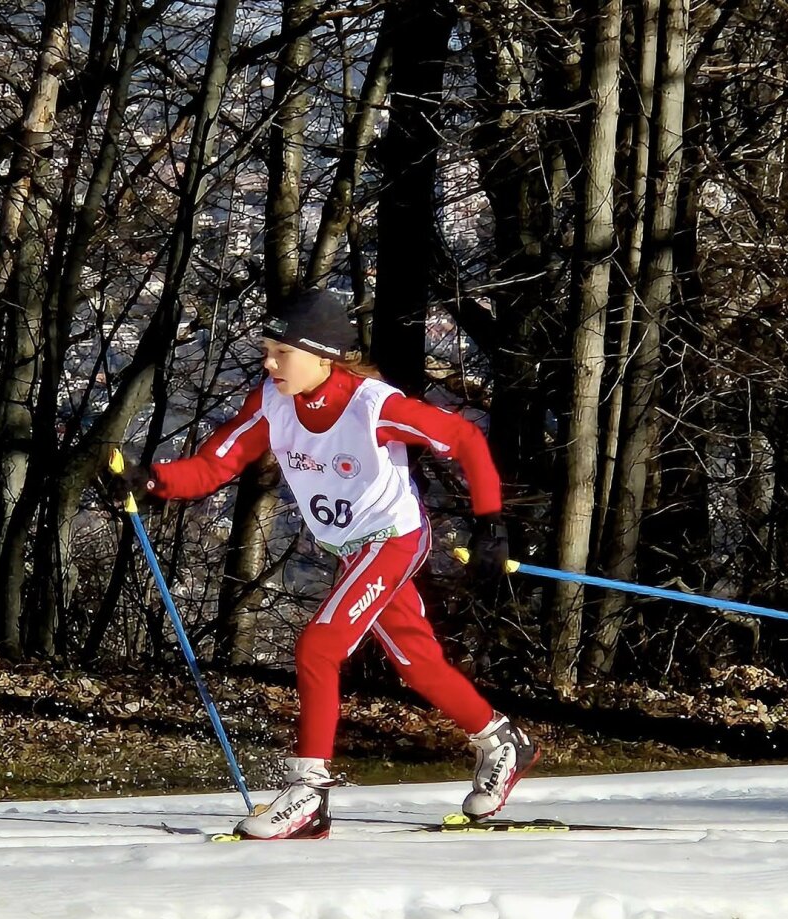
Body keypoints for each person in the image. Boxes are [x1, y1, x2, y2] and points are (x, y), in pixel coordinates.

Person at [109, 289, 538, 840]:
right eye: (267, 351)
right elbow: (216, 464)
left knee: (319, 646)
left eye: (281, 353)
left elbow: (464, 437)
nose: (269, 364)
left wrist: (491, 524)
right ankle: (502, 740)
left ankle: (309, 792)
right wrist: (152, 480)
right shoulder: (273, 402)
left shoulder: (373, 406)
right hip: (351, 549)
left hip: (392, 540)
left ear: (322, 356)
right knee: (417, 662)